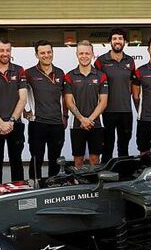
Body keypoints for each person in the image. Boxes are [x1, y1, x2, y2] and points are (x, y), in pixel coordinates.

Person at [0, 38, 27, 185]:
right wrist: (1, 123)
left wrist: (11, 121)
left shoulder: (19, 70)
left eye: (8, 50)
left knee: (17, 161)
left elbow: (23, 99)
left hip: (15, 124)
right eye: (1, 50)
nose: (5, 53)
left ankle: (19, 192)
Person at [24, 40, 66, 179]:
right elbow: (19, 94)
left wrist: (65, 116)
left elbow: (65, 97)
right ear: (37, 55)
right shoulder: (29, 73)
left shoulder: (60, 73)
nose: (46, 55)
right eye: (42, 53)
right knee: (37, 158)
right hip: (37, 123)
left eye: (49, 52)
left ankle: (53, 186)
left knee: (55, 159)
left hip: (56, 123)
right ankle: (35, 186)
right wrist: (24, 111)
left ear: (52, 53)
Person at [95, 28, 136, 164]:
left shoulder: (130, 61)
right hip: (107, 111)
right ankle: (104, 173)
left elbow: (131, 84)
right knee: (107, 146)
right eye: (114, 39)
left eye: (120, 38)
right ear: (110, 42)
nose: (117, 41)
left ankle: (124, 173)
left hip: (126, 111)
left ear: (125, 42)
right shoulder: (101, 61)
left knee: (123, 147)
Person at [65, 40, 108, 168]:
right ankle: (79, 181)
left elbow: (103, 102)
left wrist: (89, 120)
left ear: (92, 54)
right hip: (77, 124)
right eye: (81, 53)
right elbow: (69, 102)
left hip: (96, 123)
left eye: (87, 53)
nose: (84, 56)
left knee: (95, 159)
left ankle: (94, 181)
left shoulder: (101, 76)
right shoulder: (69, 76)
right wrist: (82, 119)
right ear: (77, 54)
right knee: (78, 160)